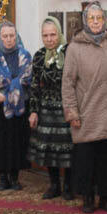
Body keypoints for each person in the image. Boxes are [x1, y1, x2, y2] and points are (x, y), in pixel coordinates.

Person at [63, 2, 107, 214]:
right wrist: (72, 112)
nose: (95, 22)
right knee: (87, 158)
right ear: (85, 21)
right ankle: (87, 197)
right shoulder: (75, 48)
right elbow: (68, 84)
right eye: (92, 18)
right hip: (87, 113)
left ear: (104, 21)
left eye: (99, 18)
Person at [28, 17, 74, 200]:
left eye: (53, 34)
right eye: (45, 35)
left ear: (59, 33)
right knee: (49, 150)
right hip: (46, 109)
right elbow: (34, 86)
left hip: (66, 108)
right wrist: (33, 110)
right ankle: (54, 184)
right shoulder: (39, 56)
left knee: (67, 149)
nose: (49, 39)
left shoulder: (70, 53)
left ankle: (69, 185)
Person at [0, 21, 32, 191]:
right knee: (1, 142)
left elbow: (27, 80)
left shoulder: (25, 56)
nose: (9, 39)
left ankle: (15, 177)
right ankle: (3, 178)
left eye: (12, 36)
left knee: (16, 141)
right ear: (0, 38)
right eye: (5, 36)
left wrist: (16, 91)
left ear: (16, 36)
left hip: (18, 104)